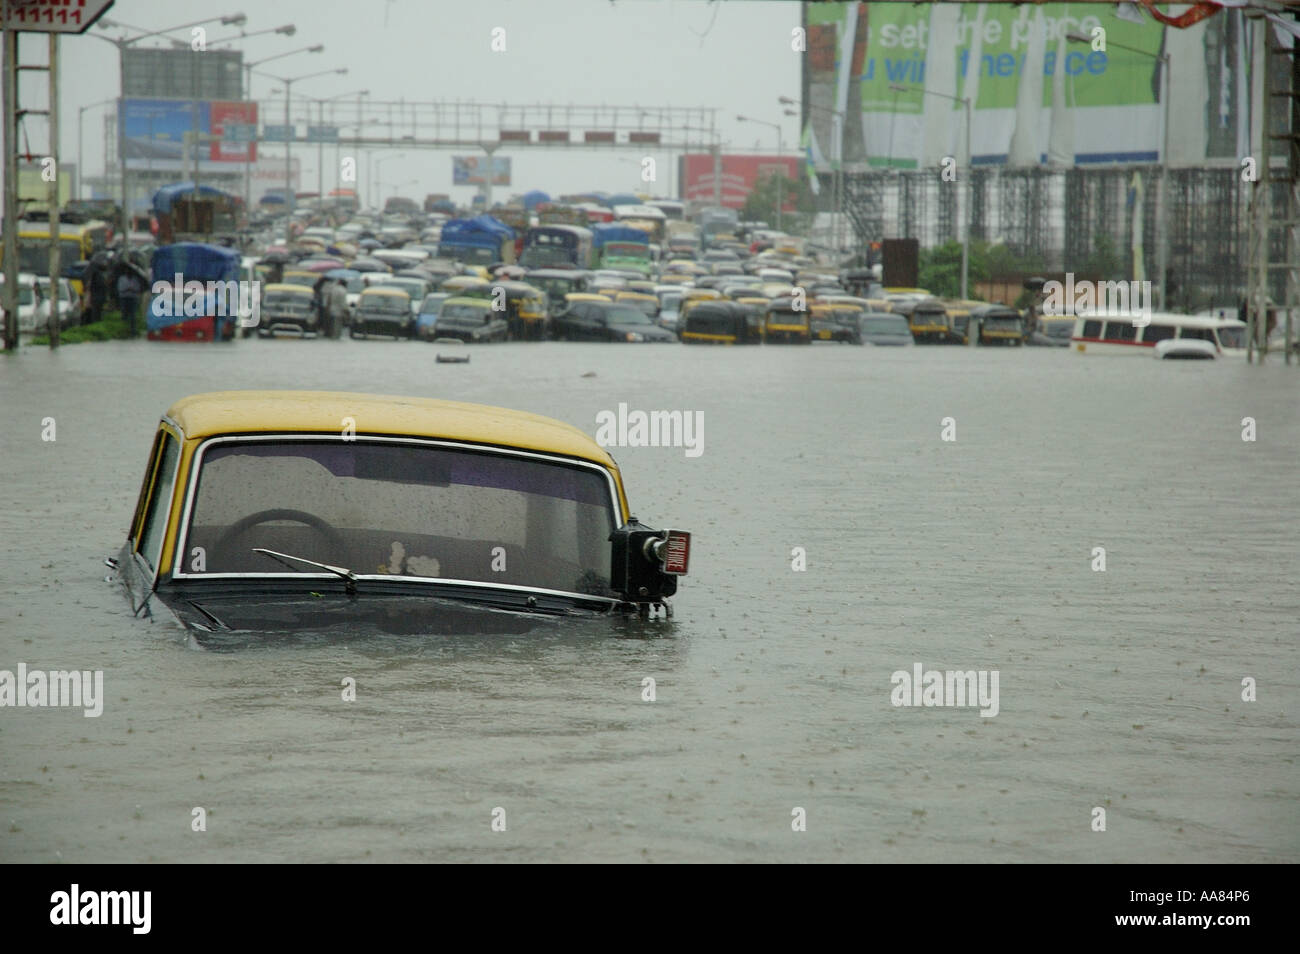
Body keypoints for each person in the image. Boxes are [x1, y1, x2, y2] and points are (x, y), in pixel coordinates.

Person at [117, 267, 144, 337]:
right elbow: (120, 288)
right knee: (124, 314)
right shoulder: (122, 278)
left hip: (133, 298)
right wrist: (127, 289)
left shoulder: (135, 279)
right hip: (124, 298)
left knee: (133, 315)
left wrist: (132, 289)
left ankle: (133, 331)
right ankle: (123, 330)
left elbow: (138, 289)